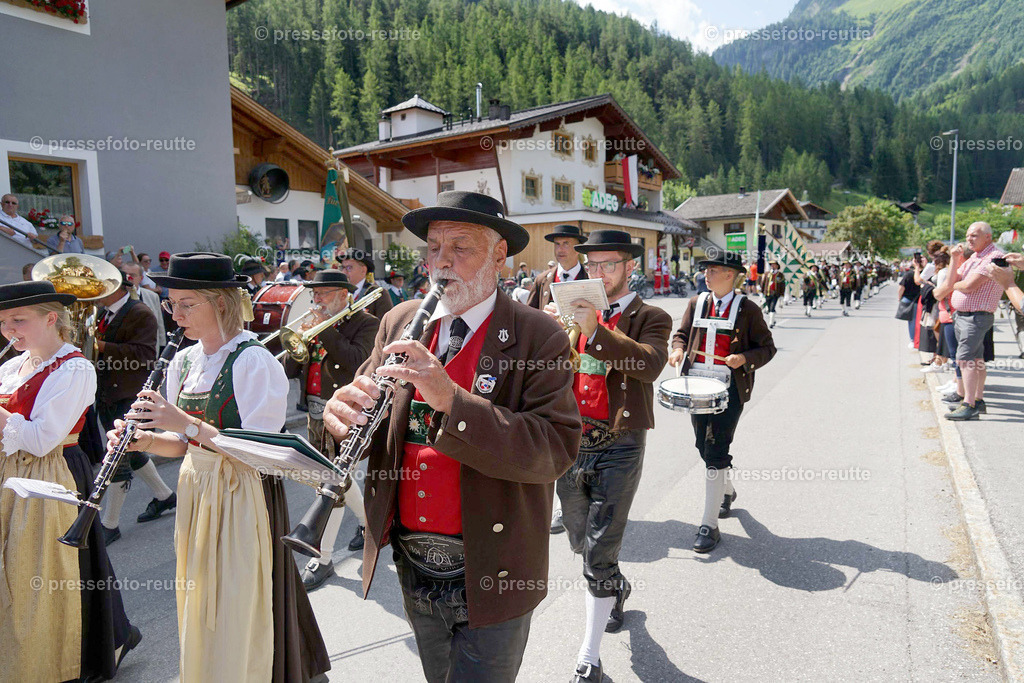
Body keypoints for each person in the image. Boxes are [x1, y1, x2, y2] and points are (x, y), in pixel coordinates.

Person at [323, 191, 580, 682]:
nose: (441, 262)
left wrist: (451, 401)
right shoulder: (401, 320)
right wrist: (339, 416)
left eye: (460, 247)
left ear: (500, 254)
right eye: (434, 247)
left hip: (494, 565)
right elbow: (364, 412)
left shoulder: (536, 334)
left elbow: (553, 449)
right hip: (413, 559)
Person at [106, 252, 330, 682]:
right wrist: (144, 440)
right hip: (199, 492)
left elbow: (261, 453)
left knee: (241, 603)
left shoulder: (253, 361)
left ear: (222, 303)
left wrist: (186, 424)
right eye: (172, 304)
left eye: (187, 304)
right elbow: (180, 446)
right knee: (203, 600)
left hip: (243, 495)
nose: (176, 314)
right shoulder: (184, 361)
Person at [0, 280, 142, 681]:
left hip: (53, 470)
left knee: (54, 567)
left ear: (51, 318)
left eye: (19, 320)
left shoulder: (75, 367)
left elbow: (43, 438)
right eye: (4, 322)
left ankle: (80, 652)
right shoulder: (13, 366)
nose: (10, 329)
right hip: (12, 471)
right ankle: (114, 635)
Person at [552, 230, 671, 683]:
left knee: (599, 551)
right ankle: (615, 586)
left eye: (608, 265)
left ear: (629, 267)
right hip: (571, 441)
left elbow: (650, 364)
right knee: (582, 542)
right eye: (592, 266)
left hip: (620, 444)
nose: (597, 274)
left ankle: (589, 659)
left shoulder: (650, 316)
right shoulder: (569, 313)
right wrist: (550, 333)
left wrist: (594, 332)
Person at [668, 251, 776, 553]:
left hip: (729, 391)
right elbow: (681, 334)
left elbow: (767, 348)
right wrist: (677, 350)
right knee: (704, 446)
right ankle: (726, 491)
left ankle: (709, 524)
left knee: (715, 450)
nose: (706, 274)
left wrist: (743, 358)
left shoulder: (748, 310)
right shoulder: (696, 302)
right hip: (696, 387)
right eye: (706, 270)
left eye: (712, 269)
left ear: (730, 275)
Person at [283, 269, 378, 590]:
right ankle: (369, 524)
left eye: (322, 294)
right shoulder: (314, 325)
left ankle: (322, 558)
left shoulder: (366, 323)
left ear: (343, 294)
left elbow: (357, 361)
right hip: (313, 410)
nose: (317, 300)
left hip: (344, 414)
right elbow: (292, 369)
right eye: (315, 295)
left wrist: (322, 332)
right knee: (337, 477)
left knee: (329, 483)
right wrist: (297, 344)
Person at [92, 271, 176, 544]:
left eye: (102, 287)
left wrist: (102, 346)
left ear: (119, 288)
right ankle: (165, 497)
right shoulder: (104, 314)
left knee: (118, 457)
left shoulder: (140, 313)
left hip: (130, 394)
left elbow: (144, 355)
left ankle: (110, 523)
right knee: (132, 450)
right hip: (109, 392)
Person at [945, 222, 1005, 421]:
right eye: (968, 235)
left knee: (965, 359)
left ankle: (969, 403)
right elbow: (953, 279)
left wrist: (955, 284)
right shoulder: (976, 257)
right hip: (966, 316)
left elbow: (969, 285)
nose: (969, 239)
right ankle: (977, 400)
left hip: (976, 316)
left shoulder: (993, 257)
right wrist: (954, 260)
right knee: (976, 360)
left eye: (974, 235)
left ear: (987, 236)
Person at [526, 224, 589, 310]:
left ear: (577, 249)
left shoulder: (590, 279)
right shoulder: (541, 280)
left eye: (566, 244)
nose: (560, 249)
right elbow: (529, 314)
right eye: (557, 244)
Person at [339, 247, 394, 321]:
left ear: (363, 270)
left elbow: (385, 324)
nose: (344, 272)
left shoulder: (378, 293)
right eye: (342, 267)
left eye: (349, 268)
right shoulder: (339, 293)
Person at [123, 262, 167, 354]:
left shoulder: (153, 296)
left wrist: (162, 346)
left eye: (132, 275)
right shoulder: (116, 297)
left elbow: (159, 323)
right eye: (125, 275)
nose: (128, 278)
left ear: (141, 278)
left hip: (150, 351)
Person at [898, 257, 923, 346]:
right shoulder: (923, 274)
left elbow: (901, 287)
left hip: (909, 299)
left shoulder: (908, 274)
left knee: (912, 321)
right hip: (919, 300)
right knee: (917, 320)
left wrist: (899, 298)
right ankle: (917, 339)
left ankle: (913, 339)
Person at [759, 259, 785, 327]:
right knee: (768, 307)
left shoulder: (780, 275)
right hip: (767, 293)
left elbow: (782, 285)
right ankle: (773, 319)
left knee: (772, 308)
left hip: (775, 294)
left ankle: (771, 322)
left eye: (774, 264)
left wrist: (782, 295)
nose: (772, 266)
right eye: (771, 265)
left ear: (777, 266)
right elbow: (763, 283)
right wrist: (761, 292)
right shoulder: (767, 274)